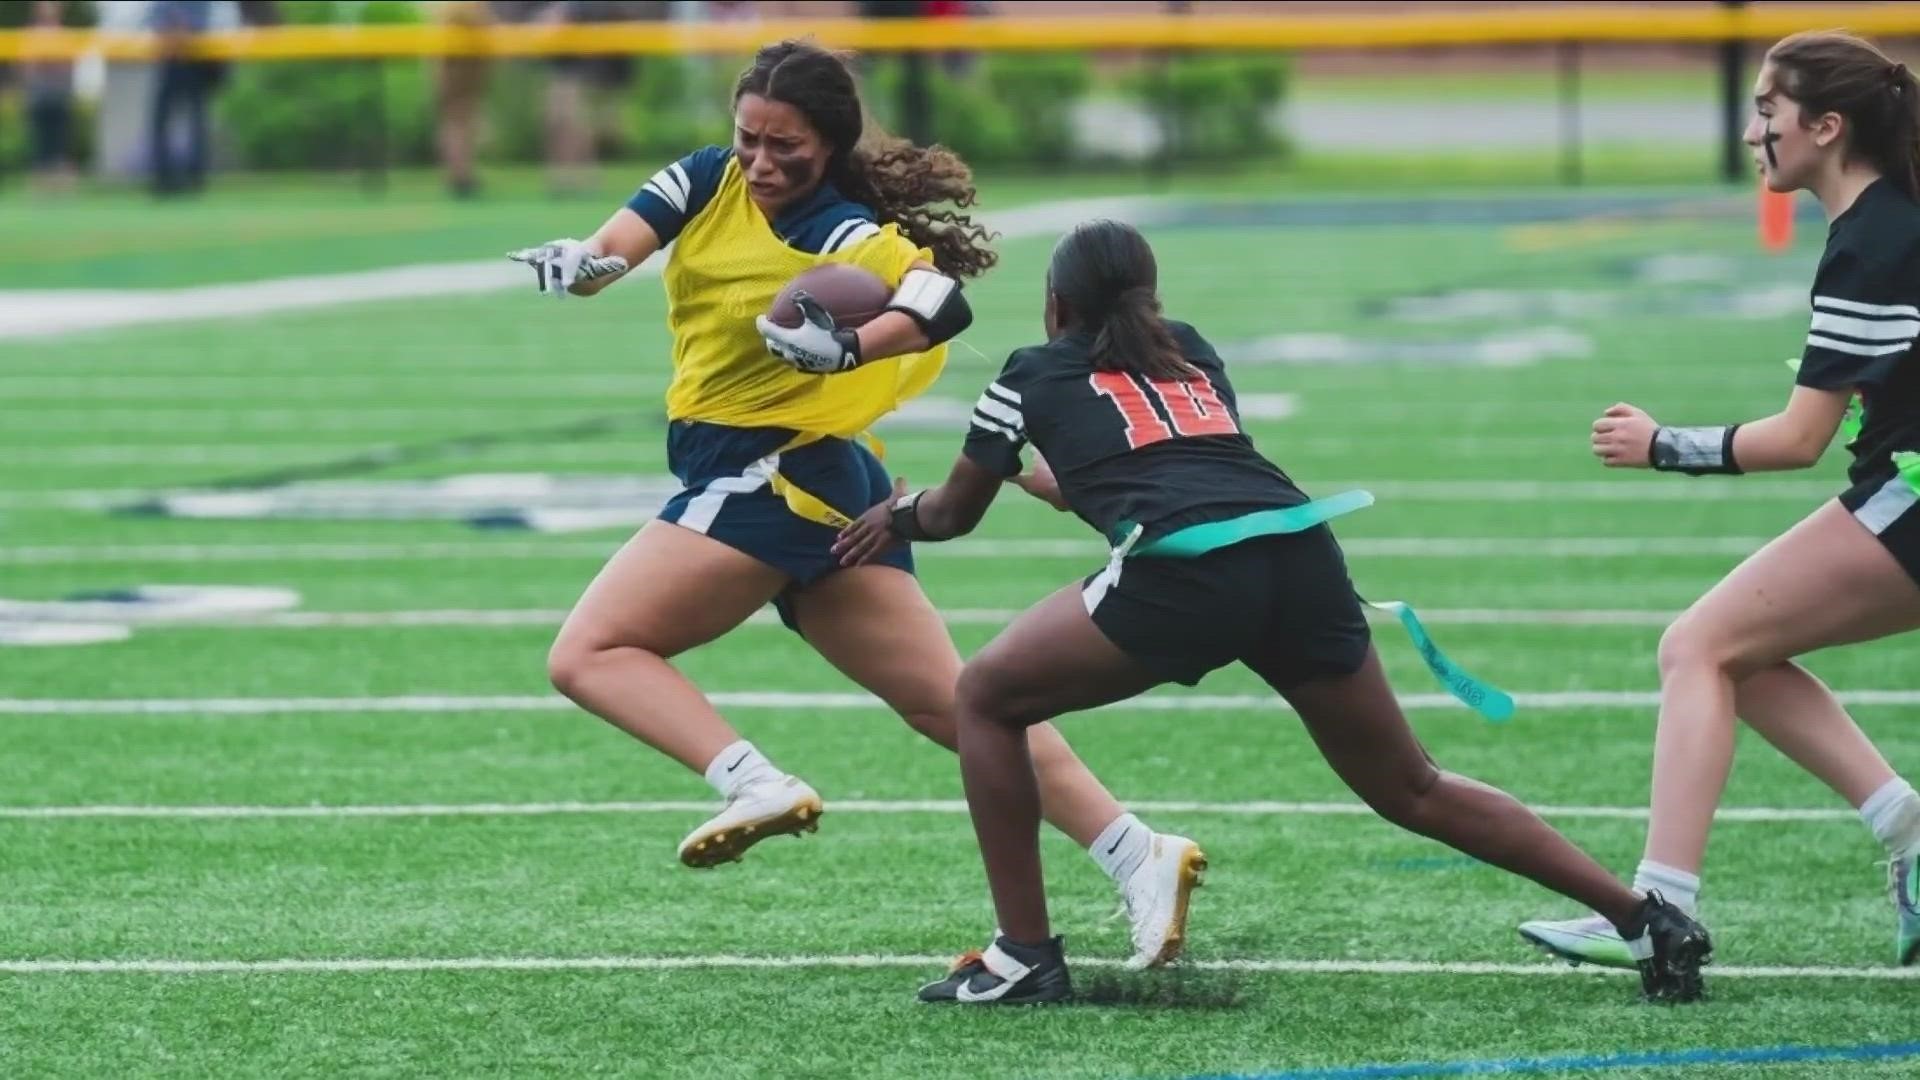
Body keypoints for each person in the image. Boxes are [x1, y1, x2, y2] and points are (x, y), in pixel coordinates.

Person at [830, 219, 1712, 1006]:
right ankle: (1643, 918)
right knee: (1412, 785)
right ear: (1151, 297)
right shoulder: (1192, 349)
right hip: (1298, 554)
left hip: (1188, 575)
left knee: (984, 696)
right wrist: (1041, 477)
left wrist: (898, 512)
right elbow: (1175, 461)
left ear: (1053, 303)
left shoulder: (1028, 371)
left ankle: (1024, 953)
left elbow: (952, 514)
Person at [506, 40, 1207, 969]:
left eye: (786, 147)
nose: (762, 162)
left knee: (590, 651)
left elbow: (938, 300)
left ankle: (751, 782)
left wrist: (850, 347)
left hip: (775, 474)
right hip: (827, 485)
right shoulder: (709, 177)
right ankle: (1138, 852)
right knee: (955, 707)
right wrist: (580, 265)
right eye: (750, 138)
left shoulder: (844, 232)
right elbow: (614, 249)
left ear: (831, 146)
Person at [1520, 30, 1920, 971]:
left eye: (1767, 111)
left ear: (1827, 127)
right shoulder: (1888, 221)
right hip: (1899, 488)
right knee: (1733, 651)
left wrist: (1662, 445)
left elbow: (1798, 439)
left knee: (1699, 646)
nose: (1752, 133)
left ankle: (1660, 907)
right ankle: (1907, 831)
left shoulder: (1873, 240)